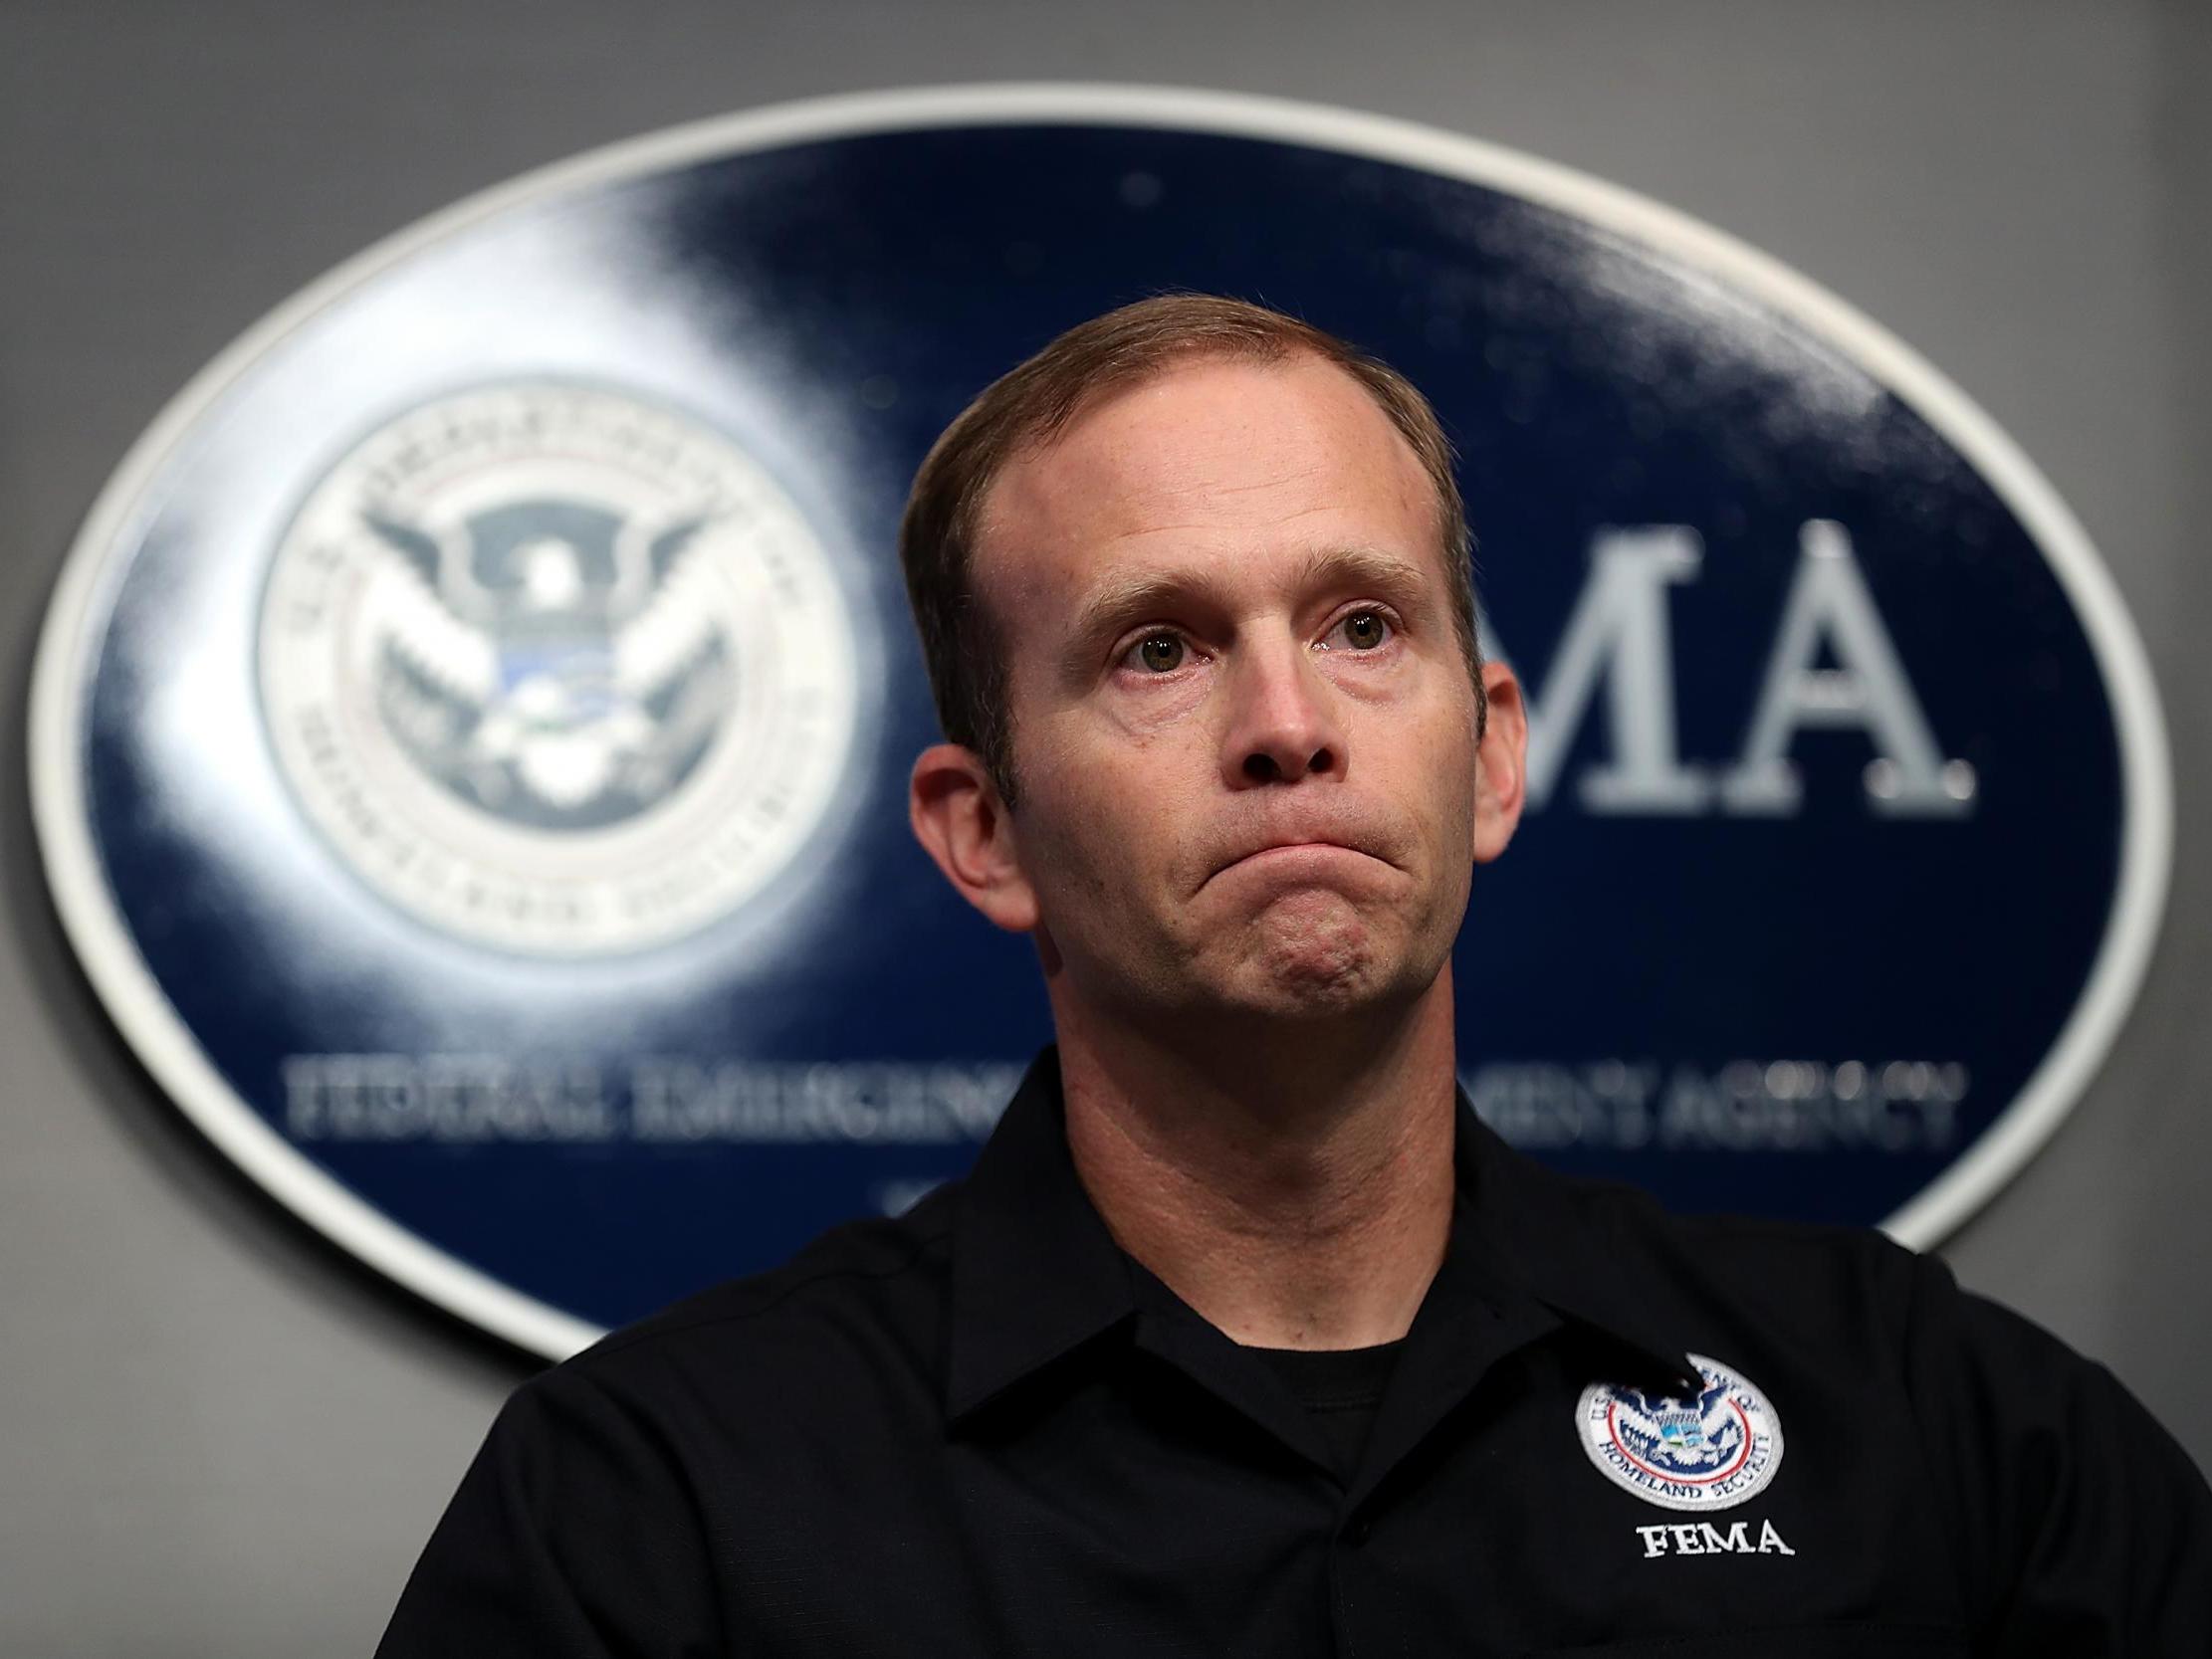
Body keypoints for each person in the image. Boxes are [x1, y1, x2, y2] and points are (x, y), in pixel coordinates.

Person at [376, 296, 2212, 1656]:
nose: (1286, 726)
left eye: (1360, 625)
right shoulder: (662, 1504)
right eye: (1158, 649)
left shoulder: (1926, 1426)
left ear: (1489, 753)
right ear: (982, 831)